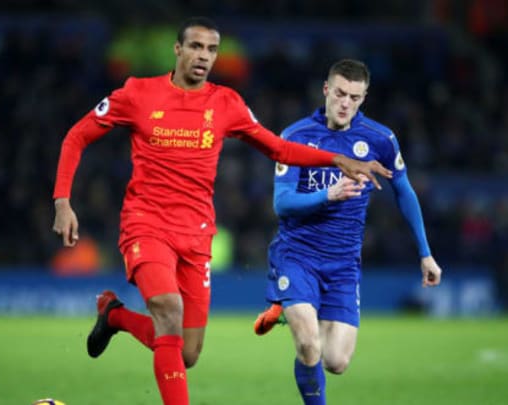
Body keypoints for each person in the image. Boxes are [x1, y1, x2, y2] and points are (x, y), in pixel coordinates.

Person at [51, 18, 392, 405]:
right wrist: (63, 201)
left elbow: (277, 149)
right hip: (145, 224)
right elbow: (77, 135)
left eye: (212, 50)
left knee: (186, 352)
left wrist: (336, 158)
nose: (204, 56)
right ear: (178, 50)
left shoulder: (226, 103)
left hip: (196, 234)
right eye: (196, 47)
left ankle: (114, 315)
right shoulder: (137, 94)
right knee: (167, 309)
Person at [253, 59, 442, 405]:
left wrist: (425, 252)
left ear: (364, 97)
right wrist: (329, 194)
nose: (345, 103)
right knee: (308, 343)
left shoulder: (380, 139)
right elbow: (282, 204)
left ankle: (288, 310)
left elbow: (404, 192)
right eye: (340, 93)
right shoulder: (295, 137)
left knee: (336, 361)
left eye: (355, 97)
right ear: (326, 89)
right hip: (298, 255)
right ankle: (293, 306)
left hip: (343, 263)